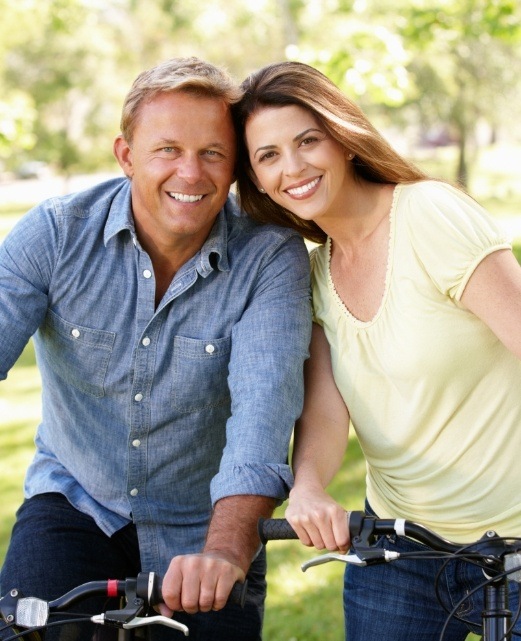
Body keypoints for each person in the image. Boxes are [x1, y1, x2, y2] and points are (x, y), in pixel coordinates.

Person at [0, 57, 312, 641]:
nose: (190, 173)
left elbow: (262, 416)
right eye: (167, 149)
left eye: (213, 153)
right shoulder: (57, 233)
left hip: (207, 522)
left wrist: (225, 553)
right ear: (126, 155)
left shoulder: (269, 258)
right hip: (77, 501)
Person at [232, 60, 521, 640]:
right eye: (268, 156)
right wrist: (309, 486)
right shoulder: (311, 274)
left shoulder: (429, 215)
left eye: (307, 140)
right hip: (400, 550)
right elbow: (326, 409)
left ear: (342, 137)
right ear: (258, 180)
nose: (293, 167)